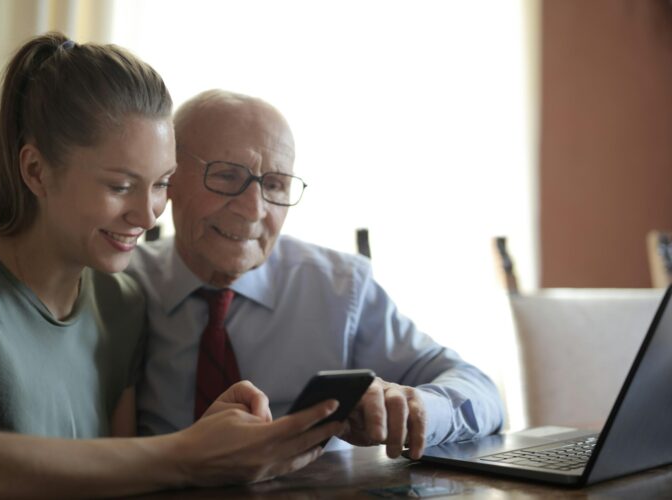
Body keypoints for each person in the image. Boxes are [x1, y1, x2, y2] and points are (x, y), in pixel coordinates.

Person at [0, 35, 343, 498]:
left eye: (161, 185)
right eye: (121, 186)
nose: (149, 213)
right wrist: (187, 453)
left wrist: (209, 441)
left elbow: (122, 477)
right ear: (35, 171)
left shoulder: (122, 302)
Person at [127, 89, 506, 460]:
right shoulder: (121, 287)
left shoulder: (340, 288)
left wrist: (415, 406)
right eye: (227, 176)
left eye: (274, 184)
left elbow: (482, 393)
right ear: (168, 179)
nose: (254, 209)